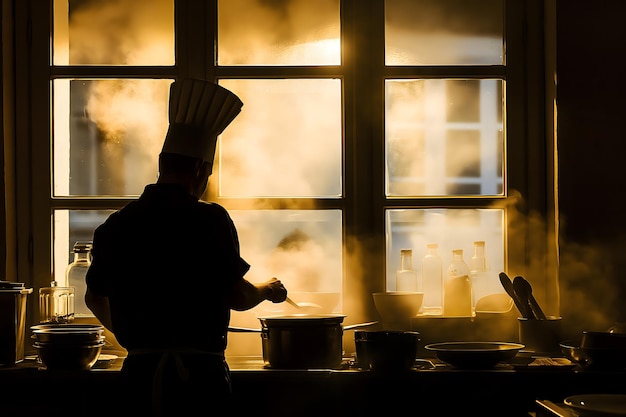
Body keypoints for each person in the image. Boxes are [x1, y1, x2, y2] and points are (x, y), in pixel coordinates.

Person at [84, 78, 288, 416]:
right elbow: (236, 296)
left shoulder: (115, 225)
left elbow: (94, 298)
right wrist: (267, 289)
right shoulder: (209, 219)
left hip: (137, 377)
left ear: (163, 166)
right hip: (200, 380)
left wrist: (135, 334)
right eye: (207, 172)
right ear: (199, 168)